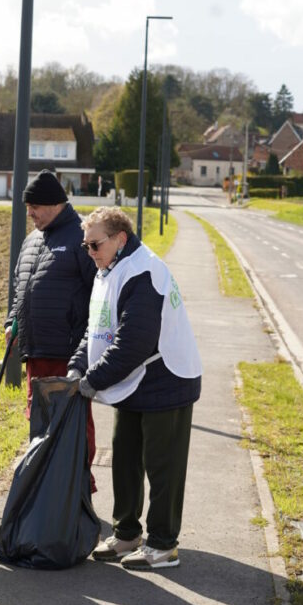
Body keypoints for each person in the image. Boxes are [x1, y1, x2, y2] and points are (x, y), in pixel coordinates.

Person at [66, 207, 202, 570]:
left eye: (95, 244)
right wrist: (77, 366)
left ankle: (163, 545)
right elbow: (97, 330)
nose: (90, 252)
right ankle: (127, 533)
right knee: (125, 459)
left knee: (162, 467)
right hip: (133, 381)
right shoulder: (108, 270)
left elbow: (133, 343)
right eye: (86, 246)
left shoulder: (143, 271)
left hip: (167, 379)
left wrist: (91, 381)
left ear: (120, 239)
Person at [5, 169, 97, 478]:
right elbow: (21, 287)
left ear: (54, 204)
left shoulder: (81, 236)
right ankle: (44, 487)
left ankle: (79, 487)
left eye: (34, 207)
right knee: (38, 419)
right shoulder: (32, 239)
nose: (29, 213)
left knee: (71, 422)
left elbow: (100, 292)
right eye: (27, 207)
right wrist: (12, 322)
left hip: (68, 353)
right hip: (36, 349)